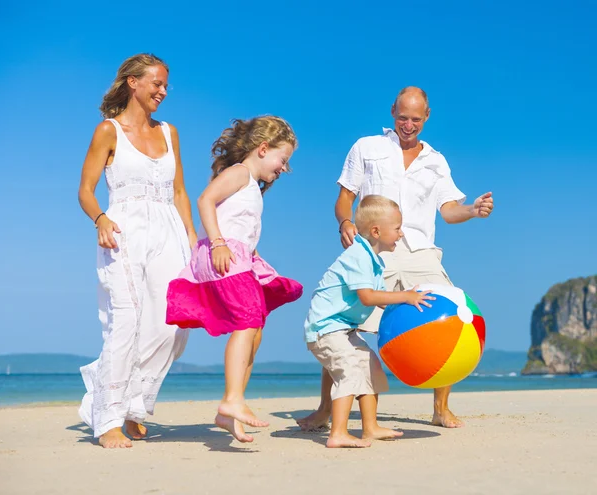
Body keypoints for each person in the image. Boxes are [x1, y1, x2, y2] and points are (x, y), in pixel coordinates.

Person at [298, 86, 494, 431]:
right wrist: (345, 222)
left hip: (420, 250)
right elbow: (344, 198)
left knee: (449, 316)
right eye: (402, 117)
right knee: (345, 326)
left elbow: (448, 211)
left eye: (415, 119)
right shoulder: (367, 147)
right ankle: (325, 408)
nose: (408, 125)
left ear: (427, 117)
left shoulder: (436, 160)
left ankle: (440, 408)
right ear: (392, 111)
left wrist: (473, 210)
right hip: (376, 250)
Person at [77, 54, 197, 448]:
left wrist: (193, 240)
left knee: (173, 322)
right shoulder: (108, 131)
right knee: (126, 320)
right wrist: (101, 220)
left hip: (169, 229)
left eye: (166, 86)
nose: (162, 92)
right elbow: (86, 190)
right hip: (124, 228)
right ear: (133, 82)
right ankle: (110, 416)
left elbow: (180, 191)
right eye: (156, 84)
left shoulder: (169, 133)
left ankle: (133, 402)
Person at [166, 116, 303, 443]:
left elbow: (240, 225)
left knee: (255, 328)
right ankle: (232, 399)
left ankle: (230, 410)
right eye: (282, 160)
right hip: (220, 252)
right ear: (263, 148)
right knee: (246, 321)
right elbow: (205, 200)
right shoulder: (240, 173)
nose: (284, 168)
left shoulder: (253, 187)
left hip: (238, 255)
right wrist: (218, 242)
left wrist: (251, 255)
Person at [304, 195, 434, 448]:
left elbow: (381, 299)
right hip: (326, 329)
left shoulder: (372, 260)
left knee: (370, 366)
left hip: (343, 328)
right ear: (376, 231)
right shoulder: (358, 256)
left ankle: (370, 427)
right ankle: (338, 433)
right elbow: (367, 297)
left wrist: (410, 305)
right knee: (349, 370)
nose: (401, 233)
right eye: (397, 228)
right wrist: (405, 295)